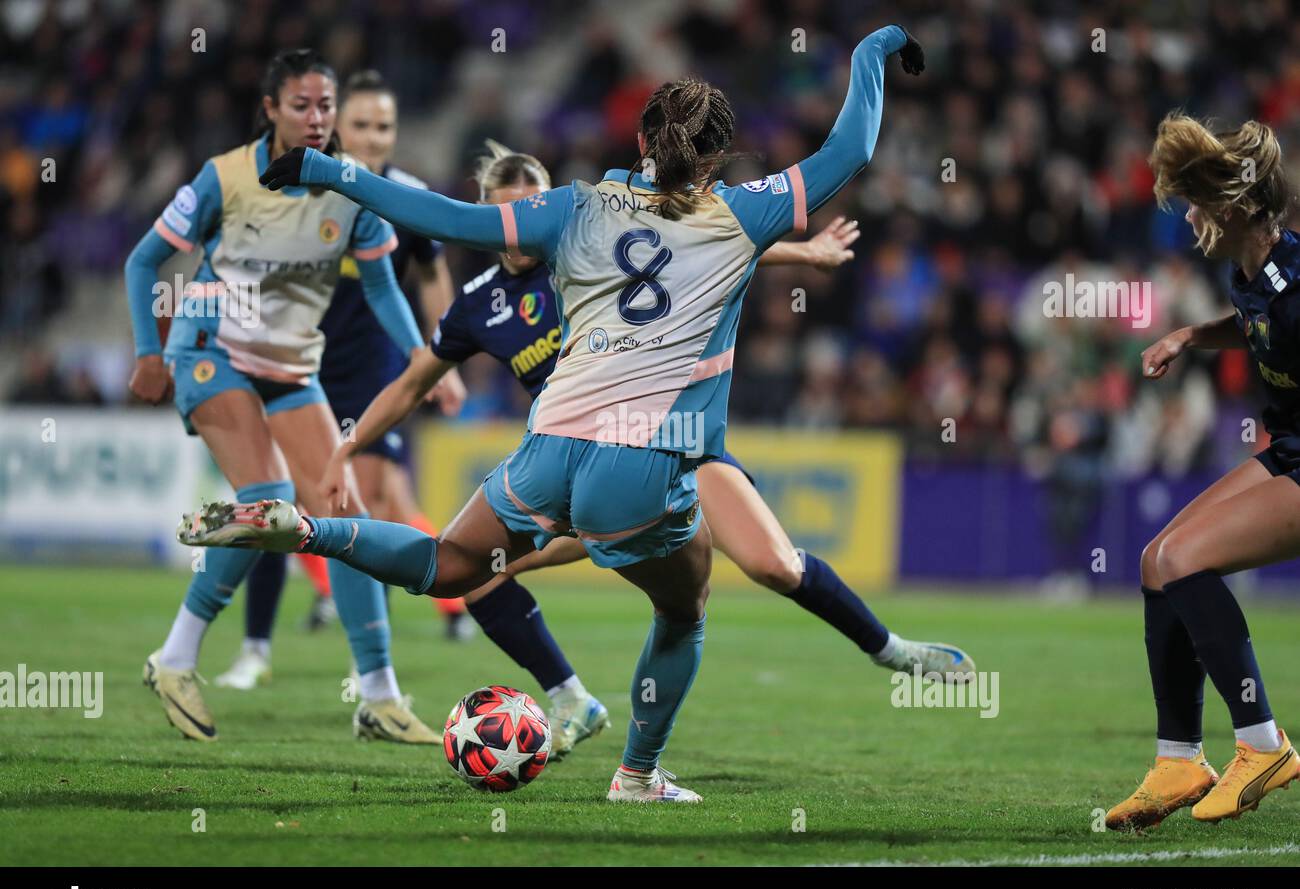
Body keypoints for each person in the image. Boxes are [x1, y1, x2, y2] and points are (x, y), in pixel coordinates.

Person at [183, 25, 927, 802]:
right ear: (715, 157)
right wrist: (875, 49)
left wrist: (332, 169)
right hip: (641, 464)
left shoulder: (571, 206)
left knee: (446, 563)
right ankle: (637, 776)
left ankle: (305, 531)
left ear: (640, 136)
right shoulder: (747, 213)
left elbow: (442, 217)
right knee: (683, 611)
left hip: (548, 448)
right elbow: (852, 148)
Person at [125, 49, 440, 744]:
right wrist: (150, 351)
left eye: (324, 106)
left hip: (292, 368)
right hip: (210, 352)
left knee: (342, 512)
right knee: (269, 492)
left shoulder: (349, 188)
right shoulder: (225, 178)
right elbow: (144, 258)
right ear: (270, 109)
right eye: (301, 105)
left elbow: (386, 282)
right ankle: (176, 657)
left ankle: (379, 696)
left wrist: (422, 353)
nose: (316, 118)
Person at [215, 70, 470, 694]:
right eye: (360, 125)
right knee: (275, 499)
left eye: (383, 126)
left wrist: (442, 358)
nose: (373, 137)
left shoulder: (406, 197)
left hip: (377, 368)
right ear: (333, 128)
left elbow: (433, 276)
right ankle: (255, 647)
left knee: (372, 500)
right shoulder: (300, 187)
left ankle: (393, 646)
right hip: (298, 362)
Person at [1106, 113, 1300, 830]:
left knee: (1187, 560)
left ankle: (1262, 745)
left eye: (1195, 203)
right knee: (1158, 560)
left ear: (1233, 206)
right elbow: (1250, 323)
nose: (1187, 215)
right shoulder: (1251, 270)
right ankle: (1179, 760)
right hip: (1288, 448)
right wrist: (1191, 335)